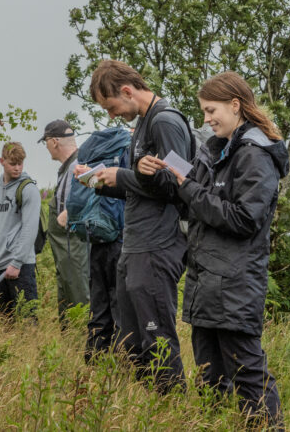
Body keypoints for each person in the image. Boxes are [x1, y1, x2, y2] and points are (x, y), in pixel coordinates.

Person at [139, 71, 286, 426]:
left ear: (235, 106)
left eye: (210, 110)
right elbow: (195, 208)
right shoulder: (217, 151)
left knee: (248, 375)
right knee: (210, 378)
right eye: (203, 112)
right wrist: (158, 174)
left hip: (235, 284)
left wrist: (188, 187)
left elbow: (244, 219)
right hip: (206, 284)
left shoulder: (254, 155)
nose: (206, 120)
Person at [77, 59, 194, 392]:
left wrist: (122, 174)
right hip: (134, 244)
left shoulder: (166, 122)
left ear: (127, 91)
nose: (111, 116)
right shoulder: (143, 125)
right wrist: (99, 181)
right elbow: (142, 187)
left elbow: (177, 184)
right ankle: (150, 410)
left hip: (158, 245)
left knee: (157, 340)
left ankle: (172, 410)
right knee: (133, 341)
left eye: (111, 106)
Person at [66, 126, 131, 362]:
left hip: (95, 234)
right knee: (120, 305)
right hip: (120, 235)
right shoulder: (126, 149)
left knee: (99, 303)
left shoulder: (90, 150)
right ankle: (121, 365)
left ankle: (93, 362)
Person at [0, 142, 41, 322]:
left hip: (20, 266)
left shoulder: (28, 189)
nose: (17, 168)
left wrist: (17, 262)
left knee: (28, 322)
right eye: (13, 163)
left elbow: (30, 229)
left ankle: (31, 351)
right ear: (2, 161)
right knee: (6, 323)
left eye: (20, 163)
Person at [39, 119, 90, 326]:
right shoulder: (68, 167)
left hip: (74, 243)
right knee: (67, 294)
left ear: (54, 142)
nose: (47, 148)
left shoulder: (77, 167)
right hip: (66, 248)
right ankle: (70, 343)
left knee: (79, 294)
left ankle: (86, 343)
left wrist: (66, 217)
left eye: (46, 142)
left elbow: (84, 202)